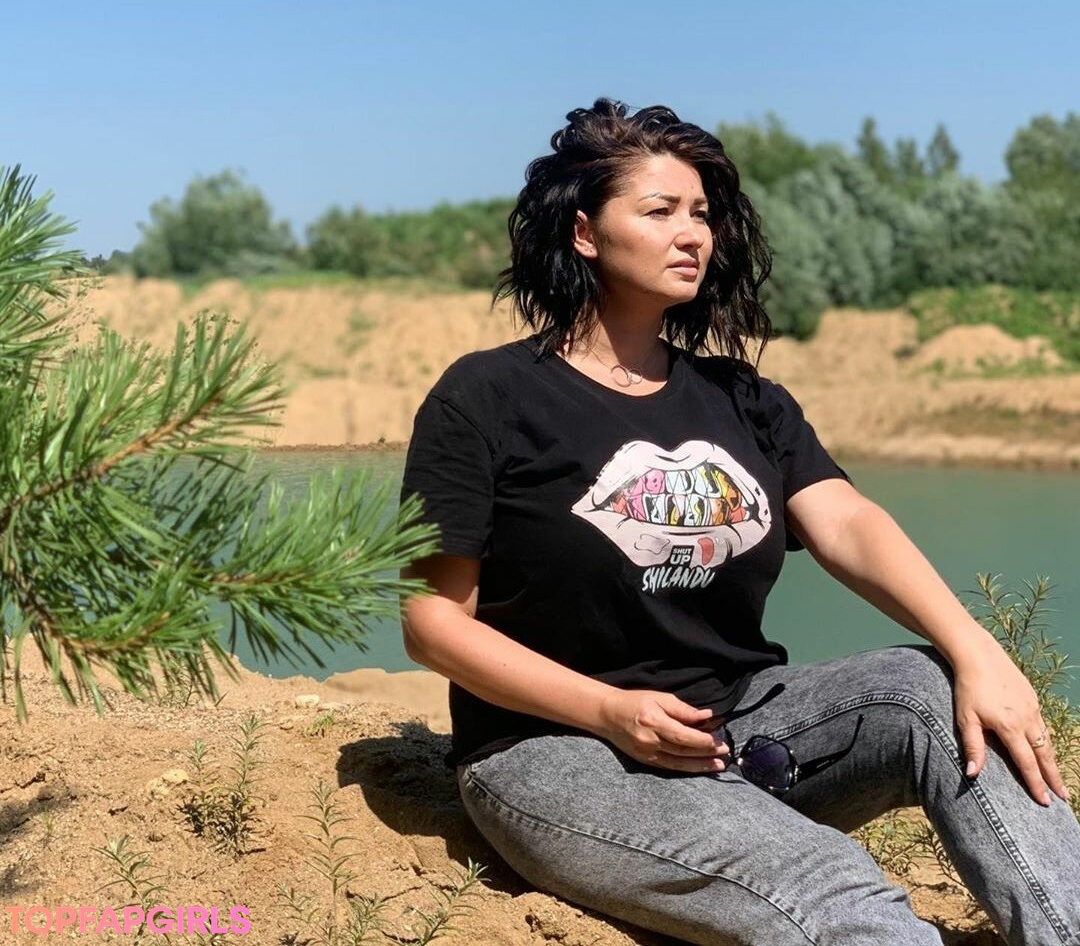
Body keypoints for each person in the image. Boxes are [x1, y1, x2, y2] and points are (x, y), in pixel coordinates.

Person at [398, 99, 1080, 946]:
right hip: (558, 748)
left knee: (932, 687)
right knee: (834, 887)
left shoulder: (743, 398)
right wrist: (608, 709)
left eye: (701, 213)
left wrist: (977, 649)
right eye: (660, 211)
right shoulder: (488, 396)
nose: (692, 233)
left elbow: (848, 523)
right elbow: (431, 623)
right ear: (584, 232)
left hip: (739, 724)